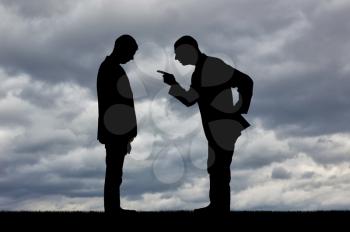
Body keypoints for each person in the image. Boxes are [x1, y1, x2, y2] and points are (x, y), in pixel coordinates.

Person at [158, 35, 253, 213]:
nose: (177, 58)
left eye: (178, 54)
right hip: (218, 127)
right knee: (216, 167)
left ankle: (219, 208)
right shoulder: (202, 70)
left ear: (189, 50)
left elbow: (246, 81)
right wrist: (174, 84)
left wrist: (239, 109)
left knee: (220, 168)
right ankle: (217, 206)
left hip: (223, 127)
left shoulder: (211, 66)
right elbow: (190, 99)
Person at [97, 34, 138, 213]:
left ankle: (113, 207)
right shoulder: (110, 69)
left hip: (116, 130)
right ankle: (112, 209)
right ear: (122, 49)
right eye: (131, 53)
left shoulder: (111, 68)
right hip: (115, 131)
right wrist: (126, 133)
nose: (132, 58)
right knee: (114, 171)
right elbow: (117, 104)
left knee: (115, 172)